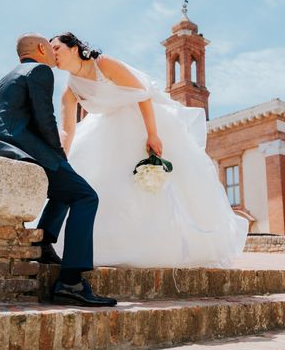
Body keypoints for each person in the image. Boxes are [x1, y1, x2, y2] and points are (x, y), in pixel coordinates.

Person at [47, 31, 248, 268]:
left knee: (162, 186)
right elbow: (69, 131)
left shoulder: (103, 64)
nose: (53, 55)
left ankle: (167, 245)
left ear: (74, 48)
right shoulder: (69, 91)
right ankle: (112, 246)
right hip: (106, 130)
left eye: (56, 49)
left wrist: (152, 134)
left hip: (140, 120)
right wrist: (62, 160)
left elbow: (142, 94)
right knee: (106, 184)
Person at [0, 33, 116, 307]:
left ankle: (42, 244)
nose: (54, 54)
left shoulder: (6, 78)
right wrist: (60, 158)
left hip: (1, 147)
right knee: (86, 196)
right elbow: (45, 118)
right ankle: (71, 282)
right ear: (40, 48)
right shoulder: (39, 70)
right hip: (26, 151)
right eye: (51, 48)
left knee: (67, 191)